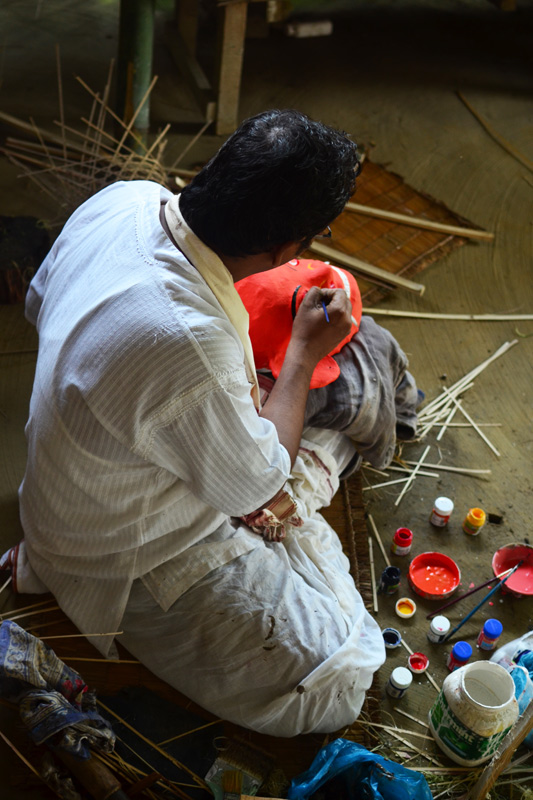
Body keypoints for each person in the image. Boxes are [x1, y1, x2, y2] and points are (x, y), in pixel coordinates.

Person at [5, 109, 387, 736]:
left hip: (70, 490)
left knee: (360, 360)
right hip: (120, 553)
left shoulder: (124, 200)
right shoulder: (191, 347)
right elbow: (256, 488)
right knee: (336, 688)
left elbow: (38, 302)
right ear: (287, 251)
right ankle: (68, 575)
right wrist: (299, 357)